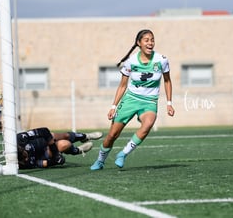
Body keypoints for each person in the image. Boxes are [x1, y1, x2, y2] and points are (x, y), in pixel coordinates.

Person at [90, 29, 175, 170]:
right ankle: (100, 160)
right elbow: (122, 86)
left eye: (152, 40)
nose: (150, 43)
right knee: (112, 135)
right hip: (130, 99)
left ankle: (123, 154)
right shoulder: (131, 62)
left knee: (148, 124)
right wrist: (113, 106)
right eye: (146, 40)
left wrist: (169, 103)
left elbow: (167, 81)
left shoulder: (162, 60)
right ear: (139, 43)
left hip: (149, 101)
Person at [17, 127, 103, 169]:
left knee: (56, 135)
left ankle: (85, 136)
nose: (26, 158)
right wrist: (56, 161)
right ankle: (77, 150)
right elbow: (43, 163)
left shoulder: (21, 138)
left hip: (42, 141)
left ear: (21, 148)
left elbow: (44, 131)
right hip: (43, 153)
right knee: (64, 144)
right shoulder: (22, 165)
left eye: (25, 155)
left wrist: (55, 153)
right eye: (24, 159)